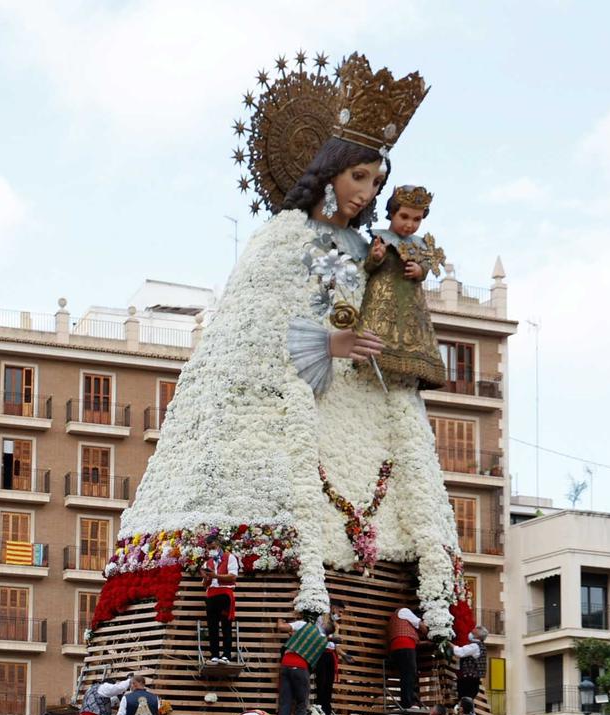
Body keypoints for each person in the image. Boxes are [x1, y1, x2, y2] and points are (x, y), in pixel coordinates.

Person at [106, 53, 461, 626]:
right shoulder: (283, 237)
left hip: (366, 406)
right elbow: (260, 332)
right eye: (359, 177)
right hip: (286, 421)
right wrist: (330, 345)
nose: (366, 194)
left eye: (376, 183)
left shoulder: (366, 249)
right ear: (329, 171)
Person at [355, 182, 445, 386]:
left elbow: (425, 266)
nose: (410, 225)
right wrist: (376, 257)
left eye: (416, 219)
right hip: (383, 300)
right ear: (392, 214)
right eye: (404, 217)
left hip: (411, 303)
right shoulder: (380, 238)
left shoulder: (420, 244)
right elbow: (367, 267)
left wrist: (420, 271)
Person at [276, 612, 327, 715]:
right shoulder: (321, 636)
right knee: (301, 705)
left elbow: (281, 627)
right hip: (301, 668)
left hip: (285, 665)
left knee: (285, 704)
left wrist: (280, 619)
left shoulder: (300, 625)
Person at [386, 605, 425, 714]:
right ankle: (408, 703)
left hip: (397, 648)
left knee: (406, 675)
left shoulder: (399, 620)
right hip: (405, 647)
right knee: (409, 674)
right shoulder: (404, 611)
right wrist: (431, 634)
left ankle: (408, 701)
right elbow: (420, 625)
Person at [204, 546, 240, 663]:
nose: (212, 549)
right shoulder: (207, 562)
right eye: (210, 547)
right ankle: (214, 654)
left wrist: (216, 576)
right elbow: (205, 584)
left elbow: (233, 576)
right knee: (212, 627)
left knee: (226, 625)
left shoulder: (230, 557)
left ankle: (226, 655)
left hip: (225, 593)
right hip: (211, 595)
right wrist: (206, 578)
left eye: (213, 546)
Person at [453, 627, 486, 703]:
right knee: (466, 701)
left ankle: (465, 712)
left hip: (468, 680)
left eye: (473, 633)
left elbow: (459, 652)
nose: (470, 634)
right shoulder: (480, 646)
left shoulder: (475, 646)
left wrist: (446, 642)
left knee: (464, 701)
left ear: (477, 636)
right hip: (472, 680)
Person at [314, 638, 341, 715]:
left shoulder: (335, 627)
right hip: (321, 653)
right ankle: (320, 708)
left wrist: (343, 655)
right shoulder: (320, 625)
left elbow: (337, 647)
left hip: (331, 655)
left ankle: (326, 710)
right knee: (321, 682)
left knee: (329, 684)